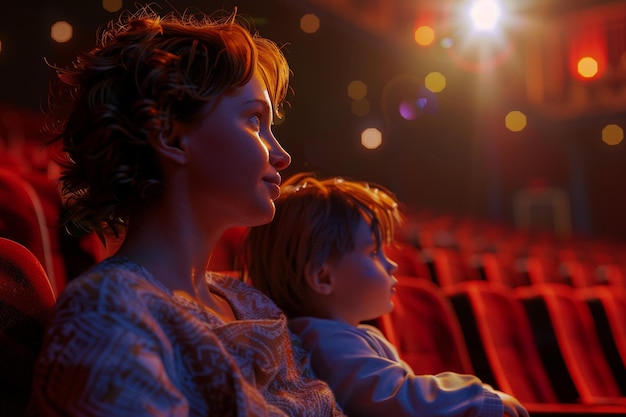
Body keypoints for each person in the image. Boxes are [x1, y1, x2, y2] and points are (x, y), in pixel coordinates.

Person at [28, 6, 345, 417]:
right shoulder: (110, 310)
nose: (282, 156)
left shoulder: (251, 304)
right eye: (254, 120)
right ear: (170, 136)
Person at [241, 172, 530, 417]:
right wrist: (478, 398)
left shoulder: (347, 335)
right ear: (322, 277)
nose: (391, 264)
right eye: (373, 253)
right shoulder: (323, 340)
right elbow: (396, 396)